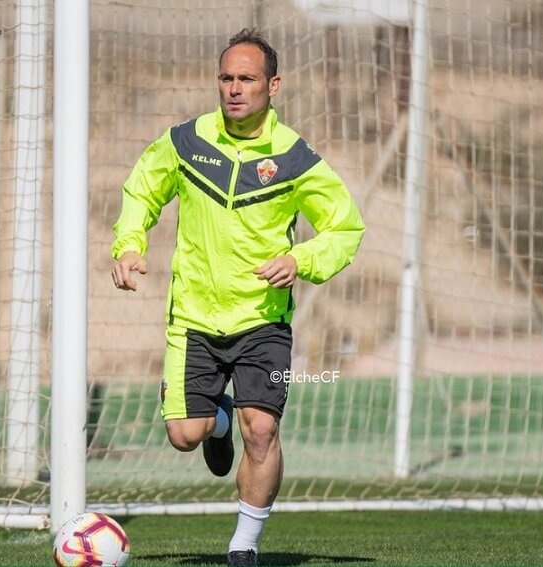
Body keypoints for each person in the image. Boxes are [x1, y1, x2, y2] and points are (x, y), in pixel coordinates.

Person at [110, 28, 365, 567]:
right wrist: (130, 244)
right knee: (184, 434)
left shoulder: (295, 158)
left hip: (263, 322)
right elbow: (142, 189)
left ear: (273, 85)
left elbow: (345, 229)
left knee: (264, 427)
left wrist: (301, 260)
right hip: (194, 319)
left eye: (246, 79)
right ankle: (216, 421)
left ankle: (243, 546)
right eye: (226, 77)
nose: (234, 88)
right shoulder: (186, 142)